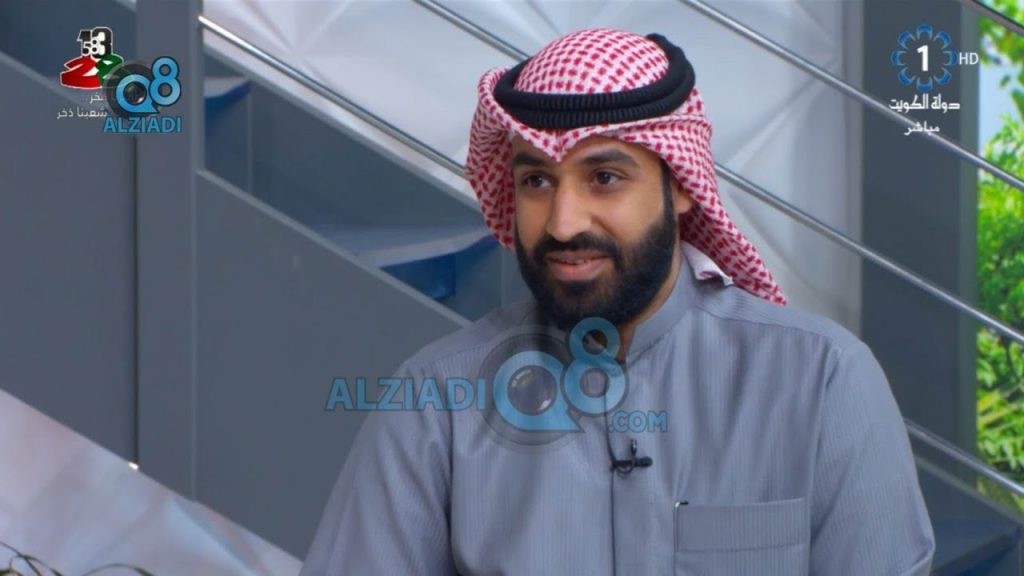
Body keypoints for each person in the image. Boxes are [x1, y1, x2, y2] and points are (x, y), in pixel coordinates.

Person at [300, 28, 935, 575]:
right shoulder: (436, 404)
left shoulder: (823, 383)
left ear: (679, 185)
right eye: (537, 181)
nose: (563, 223)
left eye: (604, 178)